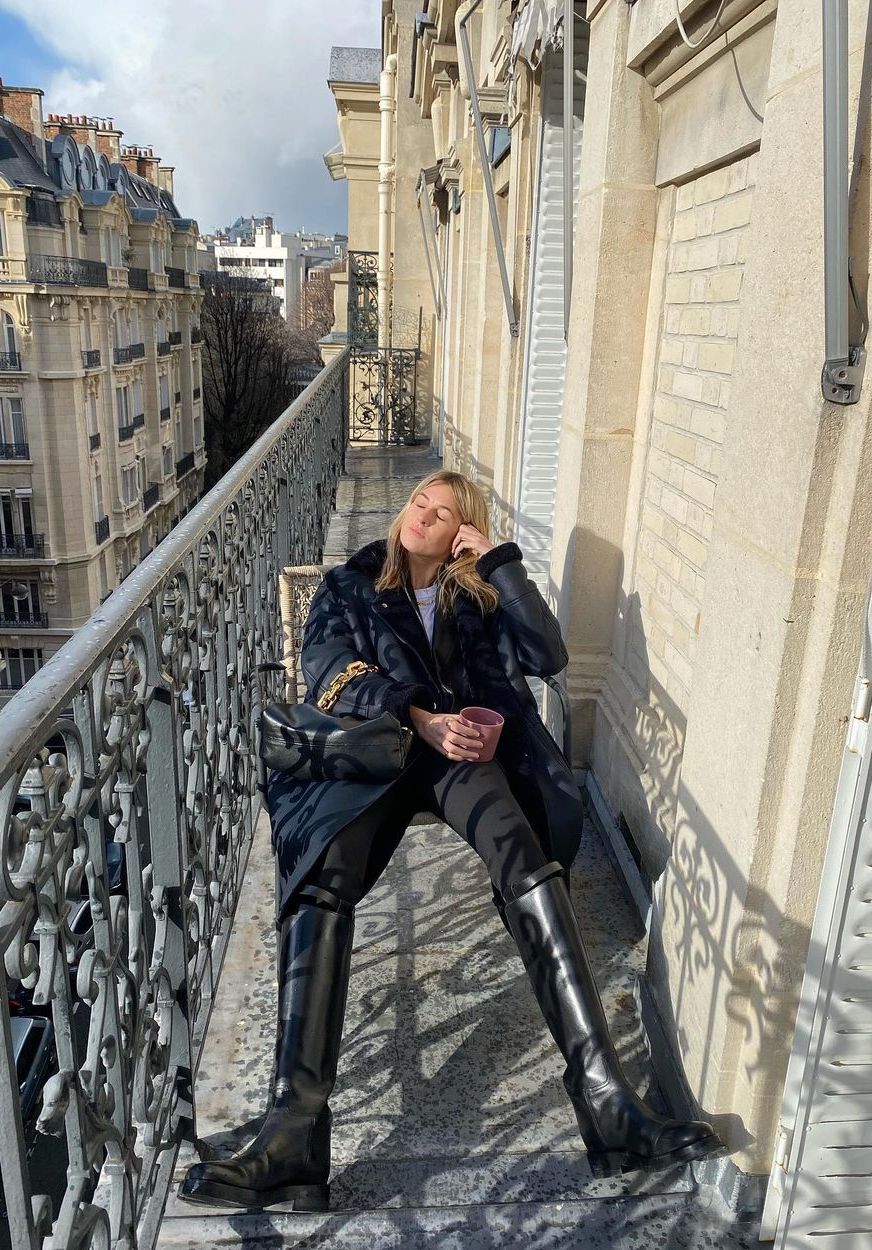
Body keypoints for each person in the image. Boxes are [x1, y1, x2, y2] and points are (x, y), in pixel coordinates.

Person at [178, 469, 721, 1212]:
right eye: (419, 505)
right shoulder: (352, 584)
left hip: (463, 758)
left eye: (443, 515)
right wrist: (417, 715)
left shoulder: (479, 593)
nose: (422, 520)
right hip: (377, 755)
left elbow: (548, 658)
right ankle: (294, 1135)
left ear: (463, 530)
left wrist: (498, 561)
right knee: (319, 877)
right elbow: (328, 673)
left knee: (526, 859)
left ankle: (607, 1103)